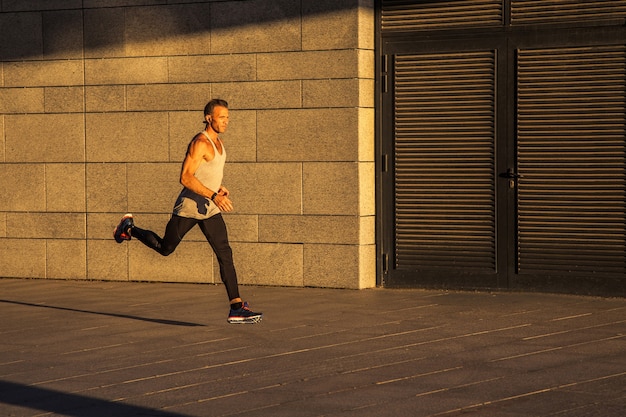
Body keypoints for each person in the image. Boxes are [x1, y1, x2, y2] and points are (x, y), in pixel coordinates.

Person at [113, 99, 262, 324]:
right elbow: (185, 177)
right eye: (222, 117)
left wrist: (218, 189)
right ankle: (129, 229)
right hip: (190, 208)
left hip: (209, 208)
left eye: (228, 117)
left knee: (225, 254)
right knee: (165, 248)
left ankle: (237, 307)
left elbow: (207, 173)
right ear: (209, 118)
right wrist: (212, 195)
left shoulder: (219, 143)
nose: (226, 121)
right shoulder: (200, 143)